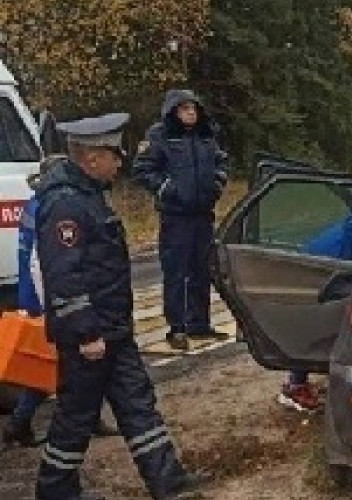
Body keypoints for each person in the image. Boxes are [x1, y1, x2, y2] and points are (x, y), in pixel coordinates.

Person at [33, 112, 206, 500]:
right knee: (76, 418)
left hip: (114, 330)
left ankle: (168, 482)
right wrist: (87, 333)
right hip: (90, 338)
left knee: (138, 404)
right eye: (113, 153)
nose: (120, 161)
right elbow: (65, 277)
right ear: (91, 158)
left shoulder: (90, 197)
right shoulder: (66, 206)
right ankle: (55, 491)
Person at [1, 160, 118, 450]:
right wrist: (50, 306)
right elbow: (42, 264)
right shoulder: (52, 206)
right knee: (57, 364)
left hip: (43, 296)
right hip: (50, 299)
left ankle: (28, 423)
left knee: (64, 364)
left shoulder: (36, 204)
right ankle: (19, 423)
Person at [277, 202, 352, 413]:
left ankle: (309, 379)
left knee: (333, 320)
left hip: (330, 260)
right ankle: (296, 386)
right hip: (323, 266)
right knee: (318, 322)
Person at [133, 89, 229, 350]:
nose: (191, 113)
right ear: (174, 111)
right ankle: (176, 328)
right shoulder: (160, 136)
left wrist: (217, 182)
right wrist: (166, 189)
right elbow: (142, 169)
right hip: (176, 216)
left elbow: (221, 161)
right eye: (185, 108)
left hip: (203, 214)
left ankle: (200, 323)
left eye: (194, 108)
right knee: (176, 273)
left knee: (202, 270)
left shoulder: (206, 134)